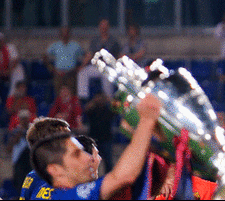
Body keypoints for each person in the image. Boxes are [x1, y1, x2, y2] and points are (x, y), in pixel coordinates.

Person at [30, 93, 161, 200]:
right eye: (76, 154)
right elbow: (122, 177)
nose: (89, 158)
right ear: (55, 169)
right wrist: (147, 120)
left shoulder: (57, 193)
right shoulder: (65, 197)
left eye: (83, 151)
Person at [45, 26, 85, 95]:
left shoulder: (75, 45)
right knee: (59, 96)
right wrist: (52, 69)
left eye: (66, 33)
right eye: (63, 33)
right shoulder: (55, 45)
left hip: (71, 73)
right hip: (58, 73)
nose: (65, 35)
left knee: (72, 95)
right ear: (60, 34)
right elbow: (44, 56)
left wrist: (80, 67)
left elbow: (85, 56)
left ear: (69, 34)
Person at [84, 92, 115, 173]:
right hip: (94, 139)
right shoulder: (92, 110)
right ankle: (91, 176)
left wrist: (109, 100)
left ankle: (108, 177)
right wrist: (94, 101)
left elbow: (116, 109)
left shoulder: (108, 110)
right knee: (91, 161)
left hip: (106, 139)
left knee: (108, 162)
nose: (100, 100)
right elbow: (86, 109)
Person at [0, 32, 26, 98]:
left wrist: (8, 71)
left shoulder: (10, 47)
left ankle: (12, 96)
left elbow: (15, 60)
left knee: (18, 69)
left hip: (10, 71)